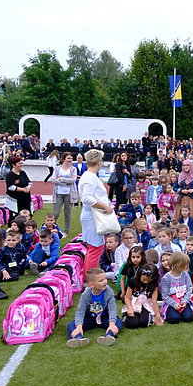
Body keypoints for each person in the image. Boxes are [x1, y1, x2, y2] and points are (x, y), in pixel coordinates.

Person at [79, 149, 113, 284]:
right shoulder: (90, 177)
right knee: (96, 249)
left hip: (92, 215)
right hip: (94, 216)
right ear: (99, 162)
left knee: (93, 249)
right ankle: (90, 279)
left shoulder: (87, 176)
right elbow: (87, 197)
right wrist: (105, 207)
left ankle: (88, 276)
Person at [66, 267, 122, 347]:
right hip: (90, 318)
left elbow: (112, 308)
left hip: (104, 317)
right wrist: (79, 327)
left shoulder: (108, 291)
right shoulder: (86, 295)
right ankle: (78, 339)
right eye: (101, 280)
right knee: (71, 325)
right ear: (91, 284)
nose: (105, 282)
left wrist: (112, 324)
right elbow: (80, 312)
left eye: (105, 279)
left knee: (118, 321)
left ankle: (108, 336)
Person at [122, 263, 164, 328]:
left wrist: (158, 316)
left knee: (144, 322)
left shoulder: (154, 284)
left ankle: (146, 316)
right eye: (144, 280)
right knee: (132, 324)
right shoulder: (133, 281)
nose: (146, 282)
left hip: (146, 303)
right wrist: (130, 308)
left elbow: (154, 300)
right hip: (134, 302)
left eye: (149, 281)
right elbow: (127, 297)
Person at [160, 251, 193, 324]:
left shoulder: (185, 275)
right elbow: (165, 295)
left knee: (189, 317)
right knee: (174, 319)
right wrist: (174, 304)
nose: (187, 266)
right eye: (185, 264)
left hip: (183, 299)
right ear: (178, 265)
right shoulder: (166, 278)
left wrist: (185, 301)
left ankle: (184, 312)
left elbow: (189, 288)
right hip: (171, 302)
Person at [50, 151, 78, 236]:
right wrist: (66, 180)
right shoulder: (58, 168)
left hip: (69, 194)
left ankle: (66, 231)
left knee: (67, 213)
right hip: (58, 193)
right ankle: (52, 229)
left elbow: (73, 180)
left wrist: (61, 179)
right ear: (64, 159)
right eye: (68, 158)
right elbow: (53, 179)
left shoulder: (73, 169)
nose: (70, 160)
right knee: (55, 213)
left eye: (71, 158)